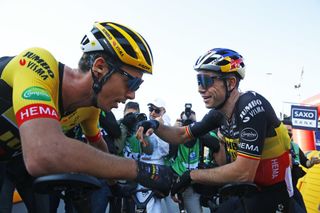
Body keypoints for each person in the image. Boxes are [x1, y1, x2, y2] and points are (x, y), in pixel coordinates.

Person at [0, 21, 172, 212]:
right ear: (100, 67)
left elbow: (99, 147)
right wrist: (142, 170)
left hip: (15, 158)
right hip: (24, 157)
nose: (132, 95)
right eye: (132, 84)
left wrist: (114, 185)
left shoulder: (90, 109)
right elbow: (43, 152)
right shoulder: (38, 64)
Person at [137, 48, 293, 212]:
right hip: (248, 191)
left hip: (274, 193)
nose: (200, 88)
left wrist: (192, 176)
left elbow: (244, 171)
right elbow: (182, 134)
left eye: (205, 81)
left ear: (231, 83)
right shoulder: (218, 115)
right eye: (198, 81)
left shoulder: (251, 105)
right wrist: (155, 125)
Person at [171, 108, 221, 213]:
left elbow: (216, 145)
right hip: (181, 180)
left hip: (199, 179)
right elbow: (170, 152)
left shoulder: (203, 134)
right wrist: (175, 131)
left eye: (192, 123)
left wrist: (197, 130)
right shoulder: (177, 134)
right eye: (186, 122)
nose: (189, 125)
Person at [283, 116, 320, 213]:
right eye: (285, 130)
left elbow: (306, 163)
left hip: (293, 189)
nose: (288, 133)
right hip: (280, 189)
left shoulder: (295, 147)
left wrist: (312, 162)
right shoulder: (275, 148)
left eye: (290, 131)